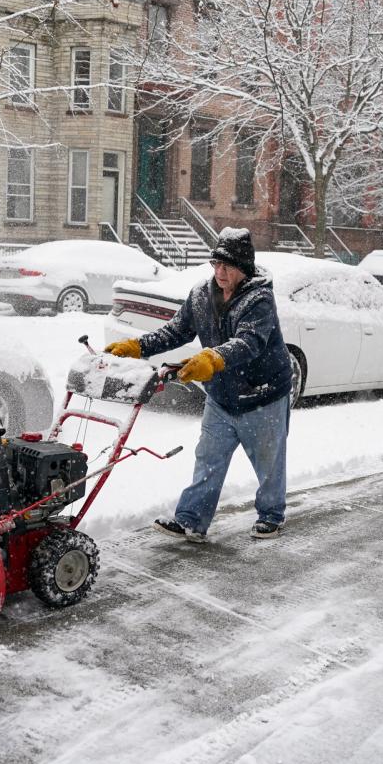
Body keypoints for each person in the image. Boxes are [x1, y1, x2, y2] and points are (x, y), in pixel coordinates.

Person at [104, 228, 293, 542]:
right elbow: (176, 332)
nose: (219, 271)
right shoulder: (201, 295)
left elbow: (249, 343)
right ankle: (191, 520)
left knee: (269, 463)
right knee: (208, 458)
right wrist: (138, 346)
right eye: (216, 263)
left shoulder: (259, 299)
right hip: (221, 396)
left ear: (243, 268)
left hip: (263, 394)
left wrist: (214, 358)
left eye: (227, 266)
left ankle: (271, 515)